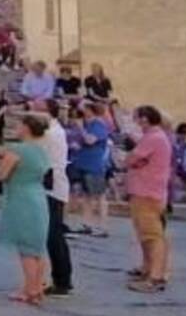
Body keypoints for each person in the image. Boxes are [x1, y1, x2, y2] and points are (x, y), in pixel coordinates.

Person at [0, 114, 52, 306]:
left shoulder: (17, 150)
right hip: (38, 195)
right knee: (37, 246)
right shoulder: (42, 150)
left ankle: (30, 290)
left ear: (27, 127)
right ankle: (37, 286)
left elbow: (2, 174)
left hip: (21, 197)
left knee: (26, 248)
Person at [123, 104, 172, 293]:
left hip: (147, 192)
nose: (135, 123)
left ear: (144, 119)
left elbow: (131, 159)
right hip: (145, 191)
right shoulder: (154, 138)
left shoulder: (153, 138)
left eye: (137, 119)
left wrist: (132, 160)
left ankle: (156, 276)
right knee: (145, 233)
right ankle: (147, 267)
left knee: (152, 235)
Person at [38, 99, 74, 297]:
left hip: (52, 188)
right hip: (53, 186)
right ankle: (61, 278)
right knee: (53, 235)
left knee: (53, 236)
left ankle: (62, 279)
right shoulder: (53, 132)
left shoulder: (50, 134)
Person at [68, 100, 113, 237]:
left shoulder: (98, 125)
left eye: (83, 109)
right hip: (84, 163)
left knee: (99, 195)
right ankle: (87, 223)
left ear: (89, 110)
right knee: (86, 195)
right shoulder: (88, 125)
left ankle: (102, 226)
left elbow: (90, 140)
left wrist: (81, 129)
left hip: (94, 165)